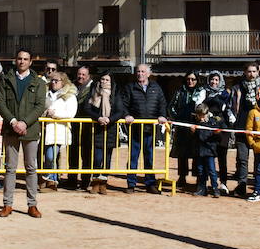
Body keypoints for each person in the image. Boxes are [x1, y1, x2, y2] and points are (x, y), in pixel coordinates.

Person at [0, 49, 47, 216]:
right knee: (10, 168)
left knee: (31, 167)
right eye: (19, 58)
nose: (22, 62)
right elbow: (1, 103)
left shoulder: (39, 82)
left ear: (30, 62)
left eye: (26, 59)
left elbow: (40, 106)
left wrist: (24, 122)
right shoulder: (5, 80)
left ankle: (32, 204)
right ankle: (7, 205)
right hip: (11, 129)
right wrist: (13, 122)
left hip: (30, 129)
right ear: (15, 60)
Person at [118, 63, 169, 194]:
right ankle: (131, 184)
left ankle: (150, 184)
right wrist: (126, 115)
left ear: (148, 73)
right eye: (138, 71)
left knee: (149, 157)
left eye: (142, 71)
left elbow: (162, 103)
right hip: (135, 129)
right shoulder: (130, 87)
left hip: (150, 129)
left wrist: (162, 115)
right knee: (133, 157)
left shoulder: (156, 88)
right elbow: (123, 104)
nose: (140, 74)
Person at [228, 64, 260, 197]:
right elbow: (231, 106)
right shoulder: (237, 87)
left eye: (254, 71)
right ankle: (241, 185)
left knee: (259, 159)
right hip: (241, 126)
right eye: (249, 71)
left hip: (258, 128)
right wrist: (233, 121)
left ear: (258, 72)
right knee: (242, 159)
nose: (252, 74)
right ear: (245, 72)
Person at [81, 73, 121, 194]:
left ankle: (103, 182)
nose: (104, 81)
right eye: (102, 79)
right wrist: (98, 118)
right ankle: (95, 181)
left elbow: (120, 110)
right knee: (97, 158)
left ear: (111, 81)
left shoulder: (115, 93)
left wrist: (110, 119)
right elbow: (87, 108)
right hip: (97, 128)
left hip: (111, 128)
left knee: (107, 158)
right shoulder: (94, 91)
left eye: (107, 79)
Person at [169, 71, 205, 189]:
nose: (190, 81)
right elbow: (171, 107)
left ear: (197, 80)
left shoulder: (201, 92)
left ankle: (198, 177)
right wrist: (177, 118)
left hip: (196, 126)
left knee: (197, 153)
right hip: (182, 126)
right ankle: (182, 177)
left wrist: (200, 119)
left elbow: (205, 108)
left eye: (193, 79)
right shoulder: (180, 91)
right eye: (188, 79)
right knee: (182, 154)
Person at [41, 70, 77, 191]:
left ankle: (47, 177)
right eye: (52, 80)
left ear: (63, 82)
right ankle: (52, 180)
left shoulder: (70, 96)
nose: (54, 82)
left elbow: (71, 113)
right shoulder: (46, 94)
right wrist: (46, 113)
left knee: (51, 156)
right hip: (45, 129)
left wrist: (55, 114)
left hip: (59, 130)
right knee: (48, 156)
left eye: (57, 80)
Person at [66, 64, 95, 190]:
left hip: (88, 124)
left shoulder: (93, 87)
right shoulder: (71, 86)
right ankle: (72, 180)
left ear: (88, 76)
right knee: (72, 152)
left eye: (83, 74)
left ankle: (85, 180)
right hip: (73, 123)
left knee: (87, 153)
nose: (81, 76)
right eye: (79, 74)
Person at [193, 103, 222, 197]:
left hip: (209, 151)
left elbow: (218, 138)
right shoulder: (196, 123)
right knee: (200, 170)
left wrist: (217, 133)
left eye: (202, 115)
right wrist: (193, 132)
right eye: (199, 115)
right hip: (199, 151)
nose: (201, 118)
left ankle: (215, 188)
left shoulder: (213, 122)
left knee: (212, 171)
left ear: (206, 113)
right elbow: (195, 139)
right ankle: (202, 188)